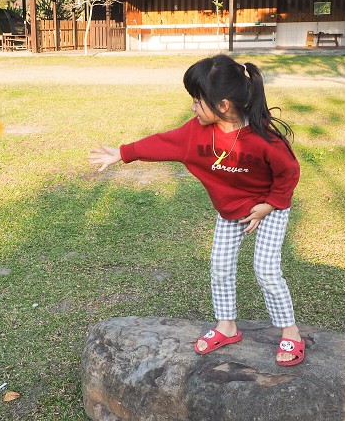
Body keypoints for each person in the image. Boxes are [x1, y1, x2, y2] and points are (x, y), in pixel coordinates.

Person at [88, 54, 304, 366]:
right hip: (231, 210)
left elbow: (289, 174)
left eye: (197, 100)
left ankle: (291, 333)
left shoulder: (264, 137)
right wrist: (122, 153)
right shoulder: (196, 133)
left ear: (224, 105)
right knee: (220, 266)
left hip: (268, 206)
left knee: (266, 269)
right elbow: (163, 142)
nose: (192, 107)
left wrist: (267, 206)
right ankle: (226, 326)